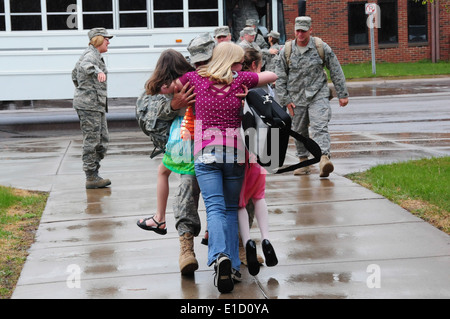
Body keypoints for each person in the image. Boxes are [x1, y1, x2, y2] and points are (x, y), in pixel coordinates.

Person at [170, 42, 277, 293]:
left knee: (215, 208)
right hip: (235, 154)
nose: (240, 64)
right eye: (238, 61)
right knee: (231, 208)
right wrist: (247, 89)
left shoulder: (194, 78)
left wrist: (177, 97)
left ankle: (220, 258)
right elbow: (273, 75)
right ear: (231, 61)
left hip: (206, 154)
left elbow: (169, 86)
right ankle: (232, 264)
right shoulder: (240, 79)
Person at [137, 34, 215, 276]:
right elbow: (146, 114)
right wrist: (172, 105)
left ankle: (179, 234)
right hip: (196, 145)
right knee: (201, 191)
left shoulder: (181, 84)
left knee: (194, 189)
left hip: (196, 145)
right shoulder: (187, 83)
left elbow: (145, 119)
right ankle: (188, 244)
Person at [275, 16, 349, 178]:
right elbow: (279, 77)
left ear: (310, 30)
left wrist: (342, 94)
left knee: (319, 126)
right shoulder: (287, 50)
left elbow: (335, 69)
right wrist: (285, 100)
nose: (300, 34)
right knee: (299, 130)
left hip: (318, 94)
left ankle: (324, 159)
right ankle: (304, 162)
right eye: (298, 31)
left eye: (303, 30)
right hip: (296, 98)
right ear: (294, 30)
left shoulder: (320, 47)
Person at [136, 49, 195, 236]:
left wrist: (171, 104)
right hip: (201, 131)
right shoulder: (192, 79)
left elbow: (151, 108)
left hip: (183, 133)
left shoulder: (169, 86)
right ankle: (160, 218)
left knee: (177, 178)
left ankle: (160, 219)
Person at [239, 48, 278, 277]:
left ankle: (247, 243)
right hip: (261, 151)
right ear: (254, 65)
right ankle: (265, 238)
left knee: (240, 203)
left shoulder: (237, 85)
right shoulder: (264, 88)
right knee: (259, 197)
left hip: (239, 151)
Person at [72, 28, 113, 189]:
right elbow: (85, 66)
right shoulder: (90, 56)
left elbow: (74, 75)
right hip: (89, 105)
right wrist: (97, 72)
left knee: (102, 140)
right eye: (106, 39)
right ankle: (91, 176)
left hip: (95, 104)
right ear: (97, 40)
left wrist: (82, 88)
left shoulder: (94, 54)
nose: (108, 41)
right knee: (92, 140)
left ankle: (94, 173)